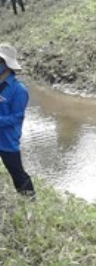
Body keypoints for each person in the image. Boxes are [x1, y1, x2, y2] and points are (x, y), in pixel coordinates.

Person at [0, 43, 35, 196]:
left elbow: (16, 118)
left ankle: (30, 200)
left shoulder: (19, 90)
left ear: (6, 65)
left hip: (7, 140)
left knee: (18, 174)